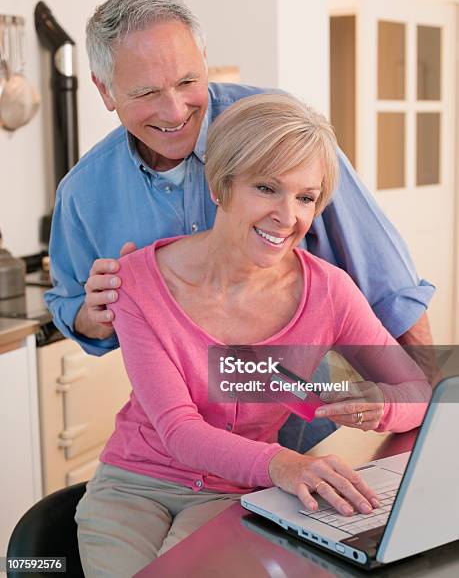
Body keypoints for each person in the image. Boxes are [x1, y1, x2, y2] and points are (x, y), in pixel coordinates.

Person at [45, 0, 435, 453]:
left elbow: (391, 289)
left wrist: (427, 423)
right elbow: (72, 310)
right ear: (105, 90)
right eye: (147, 92)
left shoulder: (280, 134)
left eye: (188, 82)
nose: (175, 112)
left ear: (205, 59)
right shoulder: (83, 194)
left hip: (302, 434)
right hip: (175, 453)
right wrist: (95, 315)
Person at [75, 94, 430, 578]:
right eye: (266, 188)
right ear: (221, 187)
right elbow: (179, 430)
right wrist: (285, 465)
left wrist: (377, 403)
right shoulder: (136, 282)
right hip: (133, 485)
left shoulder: (329, 291)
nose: (288, 217)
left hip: (236, 491)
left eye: (306, 197)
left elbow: (419, 392)